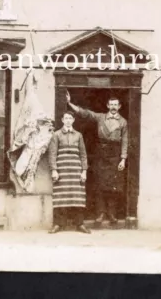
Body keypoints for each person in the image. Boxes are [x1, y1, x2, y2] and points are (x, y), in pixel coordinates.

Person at [67, 92, 129, 225]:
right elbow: (86, 113)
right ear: (107, 106)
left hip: (115, 154)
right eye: (111, 104)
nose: (113, 107)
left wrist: (123, 158)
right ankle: (100, 214)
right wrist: (70, 104)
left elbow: (125, 140)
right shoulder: (100, 118)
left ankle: (111, 214)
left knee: (113, 186)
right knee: (100, 184)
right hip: (101, 152)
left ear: (119, 106)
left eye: (115, 105)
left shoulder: (123, 122)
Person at [47, 111, 91, 234]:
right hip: (62, 170)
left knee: (78, 197)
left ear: (73, 120)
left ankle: (80, 224)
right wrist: (54, 170)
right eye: (65, 118)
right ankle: (57, 225)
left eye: (70, 118)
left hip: (76, 170)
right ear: (62, 120)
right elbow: (52, 154)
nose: (67, 120)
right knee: (60, 197)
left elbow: (83, 155)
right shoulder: (56, 135)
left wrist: (84, 171)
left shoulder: (78, 135)